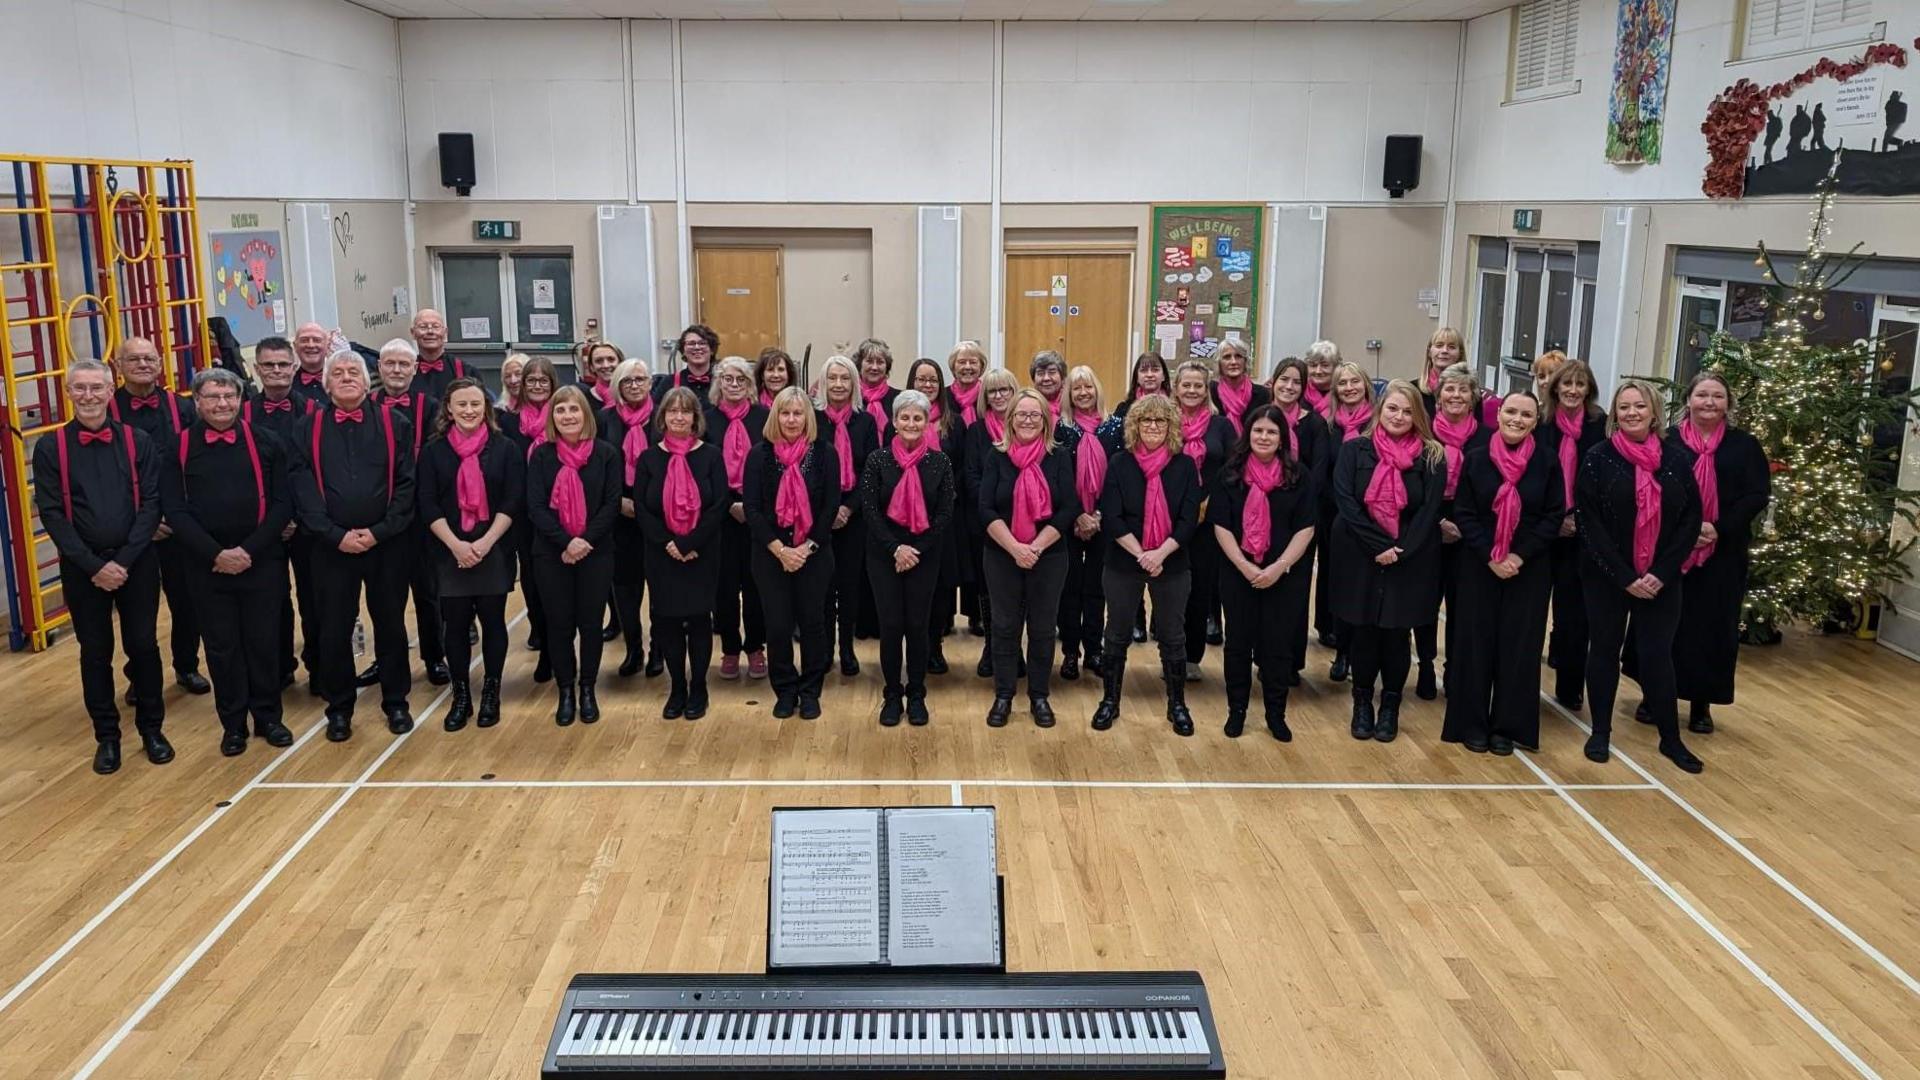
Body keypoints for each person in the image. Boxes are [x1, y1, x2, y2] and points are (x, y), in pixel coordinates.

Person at [35, 360, 169, 773]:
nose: (89, 396)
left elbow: (151, 504)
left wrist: (124, 560)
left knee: (143, 646)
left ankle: (152, 729)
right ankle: (107, 737)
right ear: (69, 393)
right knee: (95, 652)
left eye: (97, 388)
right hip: (84, 567)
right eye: (81, 388)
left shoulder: (137, 440)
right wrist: (95, 566)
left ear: (113, 391)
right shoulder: (50, 447)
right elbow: (53, 514)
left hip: (136, 562)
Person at [163, 367, 294, 757]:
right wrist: (216, 554)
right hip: (207, 566)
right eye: (213, 397)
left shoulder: (267, 442)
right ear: (197, 402)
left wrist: (249, 551)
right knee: (222, 648)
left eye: (229, 397)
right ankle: (232, 724)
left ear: (240, 399)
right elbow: (174, 509)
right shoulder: (177, 447)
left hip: (261, 561)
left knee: (263, 642)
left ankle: (268, 717)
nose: (222, 404)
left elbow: (282, 503)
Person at [1577, 378, 1705, 773]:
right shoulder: (1598, 457)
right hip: (1608, 575)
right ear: (1615, 413)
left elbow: (1690, 521)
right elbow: (1588, 520)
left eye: (1639, 406)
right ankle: (1600, 732)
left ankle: (1671, 738)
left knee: (1657, 656)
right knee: (1604, 650)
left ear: (1654, 413)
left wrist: (1661, 573)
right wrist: (1624, 574)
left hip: (1661, 579)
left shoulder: (1676, 460)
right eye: (1624, 406)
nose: (1632, 412)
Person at [290, 350, 417, 742]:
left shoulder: (395, 423)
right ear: (325, 384)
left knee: (391, 626)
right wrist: (334, 535)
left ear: (367, 382)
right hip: (331, 548)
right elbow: (302, 487)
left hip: (386, 545)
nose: (346, 378)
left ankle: (396, 702)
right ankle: (339, 708)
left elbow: (407, 485)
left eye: (353, 372)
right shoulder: (305, 428)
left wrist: (378, 532)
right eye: (338, 373)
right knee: (333, 630)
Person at [1638, 373, 1770, 735]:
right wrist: (1686, 529)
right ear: (1689, 400)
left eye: (1717, 396)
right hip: (1671, 547)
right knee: (1665, 626)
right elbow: (1652, 487)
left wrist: (1717, 527)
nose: (1709, 402)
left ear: (1728, 403)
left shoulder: (1745, 446)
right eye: (1702, 395)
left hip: (1723, 552)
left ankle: (1701, 705)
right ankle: (1654, 696)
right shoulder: (1670, 441)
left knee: (1712, 628)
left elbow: (1756, 495)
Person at [1442, 392, 1563, 755]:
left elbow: (1553, 515)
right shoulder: (1477, 458)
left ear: (1535, 420)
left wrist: (1518, 556)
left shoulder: (1547, 461)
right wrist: (1491, 555)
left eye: (1526, 414)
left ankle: (1506, 726)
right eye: (1510, 411)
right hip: (1480, 565)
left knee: (1519, 648)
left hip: (1528, 567)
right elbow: (1464, 512)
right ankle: (1472, 723)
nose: (1517, 419)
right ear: (1499, 415)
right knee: (1475, 645)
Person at [1329, 379, 1445, 744]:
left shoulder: (1432, 456)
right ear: (1380, 410)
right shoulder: (1356, 450)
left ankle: (1390, 705)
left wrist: (1400, 550)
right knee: (1364, 630)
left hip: (1410, 557)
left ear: (1418, 416)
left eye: (1407, 411)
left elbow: (1428, 512)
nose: (1399, 416)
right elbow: (1345, 500)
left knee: (1396, 634)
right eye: (1392, 408)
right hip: (1360, 552)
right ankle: (1362, 701)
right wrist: (1378, 545)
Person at [1092, 394, 1202, 735]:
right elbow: (1111, 516)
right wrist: (1142, 553)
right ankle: (1110, 701)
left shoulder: (1184, 466)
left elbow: (1188, 519)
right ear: (1134, 426)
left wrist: (1160, 554)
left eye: (1160, 421)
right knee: (1117, 632)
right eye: (1146, 420)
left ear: (1171, 427)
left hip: (1172, 559)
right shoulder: (1120, 464)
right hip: (1125, 558)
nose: (1152, 427)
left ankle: (1177, 704)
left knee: (1172, 635)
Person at [418, 379, 522, 731]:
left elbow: (512, 499)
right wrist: (457, 546)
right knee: (456, 624)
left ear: (486, 408)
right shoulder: (433, 451)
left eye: (476, 404)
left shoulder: (504, 448)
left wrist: (485, 542)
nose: (469, 411)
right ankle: (460, 693)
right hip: (450, 550)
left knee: (493, 621)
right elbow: (427, 503)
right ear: (448, 409)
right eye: (461, 404)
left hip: (493, 547)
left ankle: (491, 690)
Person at [109, 336, 209, 695]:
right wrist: (145, 524)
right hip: (136, 531)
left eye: (149, 358)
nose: (142, 365)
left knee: (188, 602)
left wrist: (179, 517)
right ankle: (141, 678)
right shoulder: (106, 411)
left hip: (181, 525)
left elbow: (194, 465)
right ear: (118, 367)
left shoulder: (181, 407)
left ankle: (186, 666)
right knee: (140, 612)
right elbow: (109, 481)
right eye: (133, 359)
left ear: (160, 363)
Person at [1211, 403, 1317, 740]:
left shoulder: (1299, 477)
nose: (1264, 436)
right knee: (1237, 644)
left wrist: (1278, 566)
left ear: (1282, 437)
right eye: (1258, 430)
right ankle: (1237, 711)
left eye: (1272, 431)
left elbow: (1306, 528)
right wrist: (1244, 566)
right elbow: (1220, 525)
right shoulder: (1230, 474)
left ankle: (1276, 714)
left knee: (1278, 646)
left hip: (1284, 575)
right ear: (1248, 433)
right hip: (1238, 572)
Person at [525, 386, 622, 726]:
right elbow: (535, 507)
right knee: (560, 625)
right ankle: (565, 690)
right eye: (561, 410)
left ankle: (587, 688)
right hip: (552, 554)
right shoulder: (541, 455)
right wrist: (566, 542)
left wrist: (583, 542)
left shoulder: (607, 454)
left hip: (596, 552)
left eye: (574, 409)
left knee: (591, 624)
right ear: (553, 417)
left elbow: (611, 505)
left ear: (586, 415)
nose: (568, 416)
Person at [979, 389, 1077, 727]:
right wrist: (1015, 548)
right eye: (1021, 414)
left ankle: (1039, 696)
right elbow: (986, 508)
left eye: (1035, 414)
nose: (1028, 420)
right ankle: (1004, 695)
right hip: (1002, 554)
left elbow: (1068, 509)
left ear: (1046, 420)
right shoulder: (996, 456)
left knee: (1042, 628)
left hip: (1048, 555)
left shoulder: (1060, 457)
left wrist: (1035, 546)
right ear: (1010, 419)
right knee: (1004, 626)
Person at [861, 390, 956, 727]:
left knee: (917, 626)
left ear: (927, 421)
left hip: (924, 555)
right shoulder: (878, 460)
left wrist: (915, 549)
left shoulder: (940, 462)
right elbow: (870, 511)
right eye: (905, 417)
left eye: (918, 417)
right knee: (890, 626)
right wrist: (895, 549)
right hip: (883, 555)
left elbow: (945, 512)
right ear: (895, 422)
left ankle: (916, 693)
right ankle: (891, 694)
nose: (912, 423)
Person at [744, 387, 840, 720]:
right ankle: (785, 690)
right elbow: (753, 510)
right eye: (785, 413)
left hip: (814, 553)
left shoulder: (825, 453)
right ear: (775, 416)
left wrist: (805, 548)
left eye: (798, 413)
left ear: (807, 417)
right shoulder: (759, 455)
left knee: (814, 624)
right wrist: (781, 550)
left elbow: (830, 507)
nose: (791, 419)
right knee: (778, 625)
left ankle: (811, 690)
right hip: (770, 555)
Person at [635, 387, 730, 719]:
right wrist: (669, 543)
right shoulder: (648, 458)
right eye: (672, 411)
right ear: (662, 417)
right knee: (667, 622)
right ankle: (677, 687)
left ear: (695, 418)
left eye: (685, 411)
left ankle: (699, 687)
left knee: (700, 621)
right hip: (661, 554)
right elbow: (643, 509)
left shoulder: (711, 456)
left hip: (702, 553)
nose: (678, 417)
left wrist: (689, 543)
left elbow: (719, 505)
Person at [361, 338, 448, 689]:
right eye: (390, 364)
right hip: (382, 520)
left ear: (415, 369)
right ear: (379, 368)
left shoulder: (431, 407)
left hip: (422, 518)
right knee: (385, 598)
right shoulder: (365, 406)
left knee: (429, 593)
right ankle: (387, 661)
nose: (397, 370)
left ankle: (434, 657)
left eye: (404, 364)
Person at [245, 338, 321, 693]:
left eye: (282, 364)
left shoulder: (314, 413)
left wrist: (296, 516)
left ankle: (320, 667)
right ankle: (279, 668)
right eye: (268, 365)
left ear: (294, 368)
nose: (276, 370)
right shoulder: (242, 415)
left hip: (307, 523)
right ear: (257, 370)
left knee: (315, 599)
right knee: (270, 602)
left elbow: (316, 471)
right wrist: (275, 520)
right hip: (262, 527)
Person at [1416, 362, 1489, 700]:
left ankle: (1455, 668)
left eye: (1463, 389)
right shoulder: (1422, 432)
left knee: (1465, 605)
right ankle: (1427, 665)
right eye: (1450, 389)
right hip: (1429, 523)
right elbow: (1411, 485)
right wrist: (1435, 522)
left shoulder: (1487, 437)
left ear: (1474, 397)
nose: (1456, 395)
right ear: (1438, 395)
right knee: (1425, 601)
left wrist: (1464, 524)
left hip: (1469, 527)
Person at [1538, 360, 1606, 710]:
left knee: (1574, 616)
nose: (1573, 390)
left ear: (1589, 389)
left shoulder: (1601, 425)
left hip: (1583, 533)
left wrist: (1577, 518)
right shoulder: (1540, 423)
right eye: (1567, 383)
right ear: (1555, 387)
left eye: (1580, 384)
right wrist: (1555, 520)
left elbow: (1605, 482)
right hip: (1544, 532)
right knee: (1534, 610)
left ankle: (1569, 686)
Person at [815, 355, 881, 676]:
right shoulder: (813, 419)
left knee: (850, 584)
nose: (838, 385)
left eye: (845, 379)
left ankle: (847, 648)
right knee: (824, 585)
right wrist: (830, 511)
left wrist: (847, 508)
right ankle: (826, 649)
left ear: (854, 384)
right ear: (823, 383)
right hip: (819, 517)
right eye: (833, 378)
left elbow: (870, 471)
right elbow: (809, 472)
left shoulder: (865, 422)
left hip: (854, 516)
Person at [1267, 356, 1330, 685]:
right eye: (1284, 380)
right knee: (1265, 590)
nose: (1289, 387)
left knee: (1295, 590)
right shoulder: (1262, 418)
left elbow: (1317, 476)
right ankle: (1264, 657)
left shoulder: (1315, 424)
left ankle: (1289, 662)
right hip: (1264, 517)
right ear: (1273, 381)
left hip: (1301, 519)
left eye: (1295, 382)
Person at [1172, 361, 1237, 679]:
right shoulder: (1166, 421)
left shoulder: (1221, 426)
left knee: (1199, 588)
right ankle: (1170, 652)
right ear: (1176, 387)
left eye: (1198, 385)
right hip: (1169, 517)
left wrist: (1208, 503)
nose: (1192, 391)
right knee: (1170, 586)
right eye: (1186, 385)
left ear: (1207, 388)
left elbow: (1232, 468)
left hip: (1208, 519)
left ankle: (1191, 656)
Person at [707, 356, 771, 680]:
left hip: (757, 515)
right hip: (719, 516)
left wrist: (750, 505)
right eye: (727, 379)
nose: (733, 385)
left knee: (757, 584)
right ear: (718, 383)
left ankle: (756, 647)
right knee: (725, 587)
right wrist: (730, 503)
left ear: (750, 385)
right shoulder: (705, 421)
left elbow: (773, 467)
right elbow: (703, 471)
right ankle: (731, 649)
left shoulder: (764, 418)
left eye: (740, 379)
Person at [598, 356, 661, 678]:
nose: (635, 385)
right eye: (627, 381)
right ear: (617, 386)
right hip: (619, 516)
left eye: (640, 379)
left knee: (660, 587)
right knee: (625, 588)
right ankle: (634, 648)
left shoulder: (665, 418)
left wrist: (650, 505)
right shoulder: (604, 419)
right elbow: (597, 468)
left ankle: (659, 651)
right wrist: (618, 502)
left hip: (660, 516)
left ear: (651, 383)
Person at [1318, 358, 1376, 679]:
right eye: (1343, 383)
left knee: (1365, 586)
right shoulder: (1327, 426)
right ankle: (1341, 651)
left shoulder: (1379, 425)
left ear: (1365, 385)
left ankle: (1361, 651)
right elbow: (1323, 473)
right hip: (1335, 517)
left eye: (1355, 381)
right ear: (1335, 390)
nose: (1349, 388)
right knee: (1338, 583)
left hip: (1372, 520)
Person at [907, 356, 964, 674]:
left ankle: (935, 644)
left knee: (941, 583)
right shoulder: (901, 420)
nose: (926, 385)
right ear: (911, 382)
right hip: (906, 519)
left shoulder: (953, 422)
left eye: (932, 380)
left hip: (944, 517)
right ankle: (916, 644)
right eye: (920, 379)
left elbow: (965, 468)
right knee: (915, 583)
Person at [963, 368, 1020, 677]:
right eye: (992, 392)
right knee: (989, 588)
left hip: (1022, 525)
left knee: (1017, 590)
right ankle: (992, 646)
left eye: (1004, 391)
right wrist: (993, 511)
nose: (998, 397)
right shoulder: (976, 432)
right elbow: (971, 476)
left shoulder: (1026, 427)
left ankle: (1015, 650)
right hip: (985, 523)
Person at [505, 355, 559, 682]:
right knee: (531, 578)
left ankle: (558, 647)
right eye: (531, 381)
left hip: (558, 512)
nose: (537, 386)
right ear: (521, 386)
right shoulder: (508, 421)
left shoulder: (565, 416)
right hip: (523, 514)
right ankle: (540, 634)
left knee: (555, 582)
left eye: (543, 380)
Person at [1059, 365, 1109, 681]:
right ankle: (1069, 653)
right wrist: (1078, 514)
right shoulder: (1060, 429)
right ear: (1069, 394)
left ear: (1097, 390)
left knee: (1096, 588)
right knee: (1069, 587)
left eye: (1088, 387)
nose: (1083, 393)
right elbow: (1059, 479)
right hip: (1068, 520)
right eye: (1076, 388)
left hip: (1104, 521)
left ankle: (1094, 650)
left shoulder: (1114, 428)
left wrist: (1098, 515)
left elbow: (1118, 477)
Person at [947, 342, 988, 638]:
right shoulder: (944, 398)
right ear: (953, 367)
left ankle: (977, 615)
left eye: (973, 362)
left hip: (976, 489)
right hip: (946, 490)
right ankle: (945, 615)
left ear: (981, 366)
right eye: (962, 362)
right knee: (948, 552)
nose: (968, 367)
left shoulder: (989, 396)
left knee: (977, 554)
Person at [1209, 339, 1272, 436]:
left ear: (1245, 361)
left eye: (1238, 356)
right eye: (1227, 357)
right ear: (1219, 363)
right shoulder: (1210, 392)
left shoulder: (1262, 394)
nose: (1233, 362)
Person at [408, 309, 468, 401]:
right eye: (423, 327)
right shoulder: (405, 371)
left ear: (445, 332)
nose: (430, 331)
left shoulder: (466, 371)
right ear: (413, 333)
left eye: (436, 327)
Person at [652, 323, 720, 403]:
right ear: (683, 350)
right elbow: (657, 413)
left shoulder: (722, 382)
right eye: (691, 343)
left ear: (712, 350)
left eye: (702, 343)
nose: (697, 347)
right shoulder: (669, 383)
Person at [854, 337, 898, 435]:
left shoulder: (899, 399)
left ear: (887, 367)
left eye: (880, 362)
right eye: (869, 361)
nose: (874, 367)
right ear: (859, 365)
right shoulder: (851, 397)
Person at [1111, 351, 1170, 423]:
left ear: (1164, 376)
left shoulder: (1173, 407)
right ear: (1137, 378)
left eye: (1155, 370)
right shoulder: (1124, 409)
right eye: (1144, 370)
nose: (1149, 375)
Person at [290, 323, 336, 405]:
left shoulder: (340, 381)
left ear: (327, 345)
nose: (311, 345)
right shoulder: (287, 384)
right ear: (295, 346)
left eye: (317, 340)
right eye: (304, 340)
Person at [581, 342, 624, 410]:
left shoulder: (634, 393)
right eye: (599, 361)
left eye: (611, 359)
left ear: (620, 362)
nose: (606, 365)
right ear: (592, 367)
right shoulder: (584, 400)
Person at [1302, 340, 1340, 415]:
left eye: (1325, 365)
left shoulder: (1343, 393)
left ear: (1335, 367)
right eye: (1313, 365)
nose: (1318, 371)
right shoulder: (1299, 391)